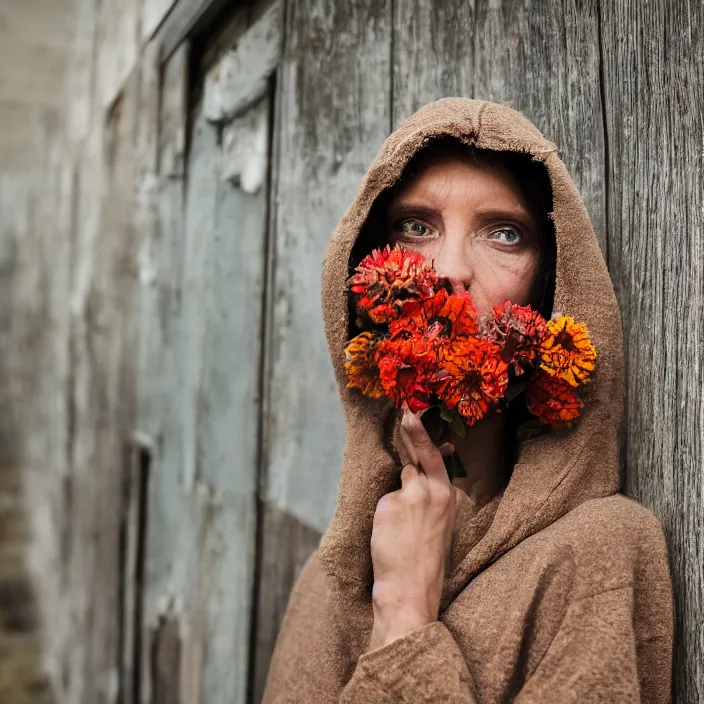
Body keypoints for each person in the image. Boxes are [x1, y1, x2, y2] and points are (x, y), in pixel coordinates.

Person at [262, 98, 674, 703]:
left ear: (551, 288)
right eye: (416, 227)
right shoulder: (332, 578)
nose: (450, 269)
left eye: (504, 234)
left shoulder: (596, 557)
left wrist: (403, 618)